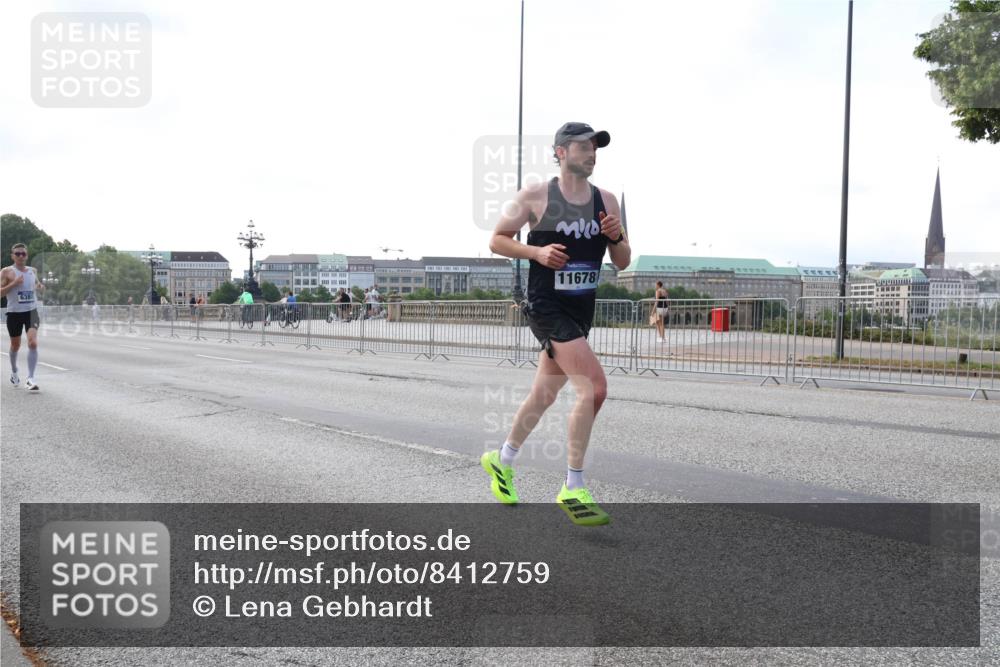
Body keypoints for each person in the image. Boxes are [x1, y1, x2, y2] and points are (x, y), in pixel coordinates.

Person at [485, 122, 630, 526]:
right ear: (560, 152)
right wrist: (536, 252)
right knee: (595, 388)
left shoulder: (607, 200)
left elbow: (622, 261)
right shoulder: (535, 195)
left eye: (596, 147)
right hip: (547, 306)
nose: (592, 153)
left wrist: (616, 237)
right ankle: (573, 486)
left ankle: (502, 459)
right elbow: (497, 239)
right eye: (584, 146)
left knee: (544, 393)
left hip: (582, 307)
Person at [1, 243, 45, 391]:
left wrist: (41, 287)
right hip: (14, 313)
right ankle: (14, 372)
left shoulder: (33, 271)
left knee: (32, 343)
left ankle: (30, 378)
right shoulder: (6, 271)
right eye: (17, 253)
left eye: (23, 254)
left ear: (27, 255)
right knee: (15, 345)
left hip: (31, 312)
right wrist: (14, 283)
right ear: (12, 256)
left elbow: (37, 285)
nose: (21, 256)